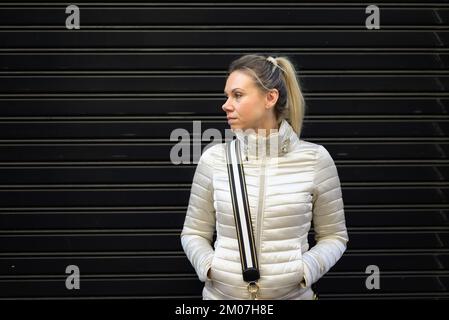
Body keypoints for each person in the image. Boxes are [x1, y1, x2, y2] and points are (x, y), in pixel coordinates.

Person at [180, 54, 349, 300]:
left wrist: (305, 270)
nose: (226, 105)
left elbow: (334, 236)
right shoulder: (214, 159)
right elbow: (193, 232)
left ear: (270, 97)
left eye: (237, 95)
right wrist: (210, 267)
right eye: (227, 96)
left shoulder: (316, 159)